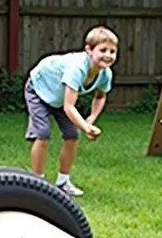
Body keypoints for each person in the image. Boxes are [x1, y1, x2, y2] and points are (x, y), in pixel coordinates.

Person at [25, 26, 118, 196]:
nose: (108, 55)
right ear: (89, 50)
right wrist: (85, 127)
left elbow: (100, 96)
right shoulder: (77, 69)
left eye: (112, 51)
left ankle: (63, 182)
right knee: (43, 133)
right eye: (103, 50)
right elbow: (69, 106)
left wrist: (91, 119)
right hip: (39, 88)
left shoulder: (105, 74)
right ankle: (37, 182)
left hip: (59, 97)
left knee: (72, 136)